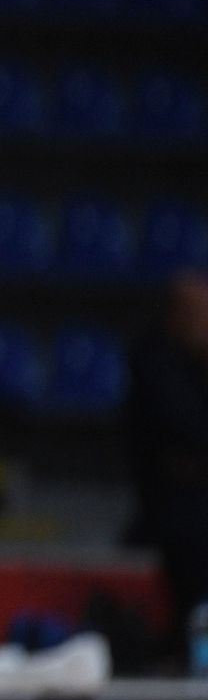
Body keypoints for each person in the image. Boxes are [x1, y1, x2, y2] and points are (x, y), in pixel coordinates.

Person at [126, 269, 208, 656]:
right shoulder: (153, 360)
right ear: (176, 314)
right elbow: (187, 430)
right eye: (198, 312)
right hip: (174, 515)